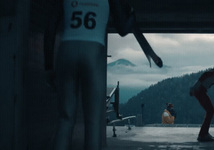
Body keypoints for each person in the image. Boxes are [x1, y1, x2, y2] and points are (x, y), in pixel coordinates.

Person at [44, 0, 162, 149]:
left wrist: (48, 66)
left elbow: (50, 27)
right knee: (93, 122)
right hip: (93, 51)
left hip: (67, 49)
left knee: (65, 119)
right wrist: (132, 15)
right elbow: (122, 28)